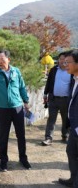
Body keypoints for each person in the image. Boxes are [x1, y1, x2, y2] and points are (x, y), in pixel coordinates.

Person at [41, 52, 72, 146]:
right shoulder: (54, 70)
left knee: (65, 119)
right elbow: (49, 82)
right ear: (58, 60)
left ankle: (65, 135)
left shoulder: (70, 71)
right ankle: (48, 138)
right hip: (53, 99)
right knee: (51, 119)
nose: (62, 61)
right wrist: (45, 94)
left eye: (64, 59)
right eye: (60, 59)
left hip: (66, 100)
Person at [58, 50, 78, 188]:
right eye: (64, 62)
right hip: (74, 127)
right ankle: (73, 179)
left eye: (68, 62)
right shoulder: (74, 79)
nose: (66, 65)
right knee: (71, 152)